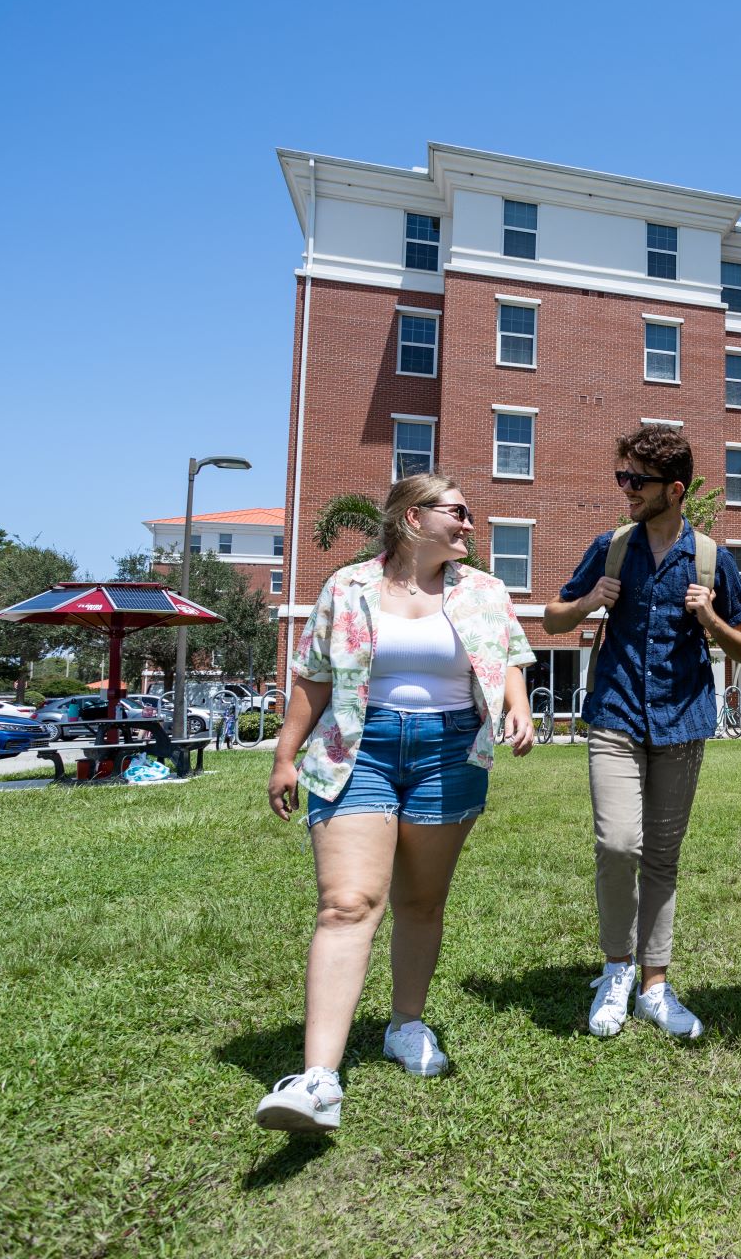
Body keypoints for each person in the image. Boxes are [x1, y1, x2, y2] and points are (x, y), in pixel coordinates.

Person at [257, 474, 535, 1133]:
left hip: (449, 752)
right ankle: (318, 1080)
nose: (470, 525)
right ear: (414, 518)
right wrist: (284, 756)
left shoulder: (485, 592)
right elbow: (313, 677)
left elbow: (511, 659)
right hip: (360, 747)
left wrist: (518, 708)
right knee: (348, 901)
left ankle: (405, 1026)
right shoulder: (347, 588)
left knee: (420, 902)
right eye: (458, 513)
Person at [543, 425, 741, 1041]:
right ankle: (617, 968)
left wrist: (709, 614)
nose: (625, 490)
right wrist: (590, 602)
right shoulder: (611, 548)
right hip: (614, 711)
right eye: (621, 478)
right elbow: (555, 617)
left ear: (675, 488)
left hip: (682, 720)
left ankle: (655, 986)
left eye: (635, 481)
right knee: (617, 845)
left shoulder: (713, 558)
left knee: (663, 857)